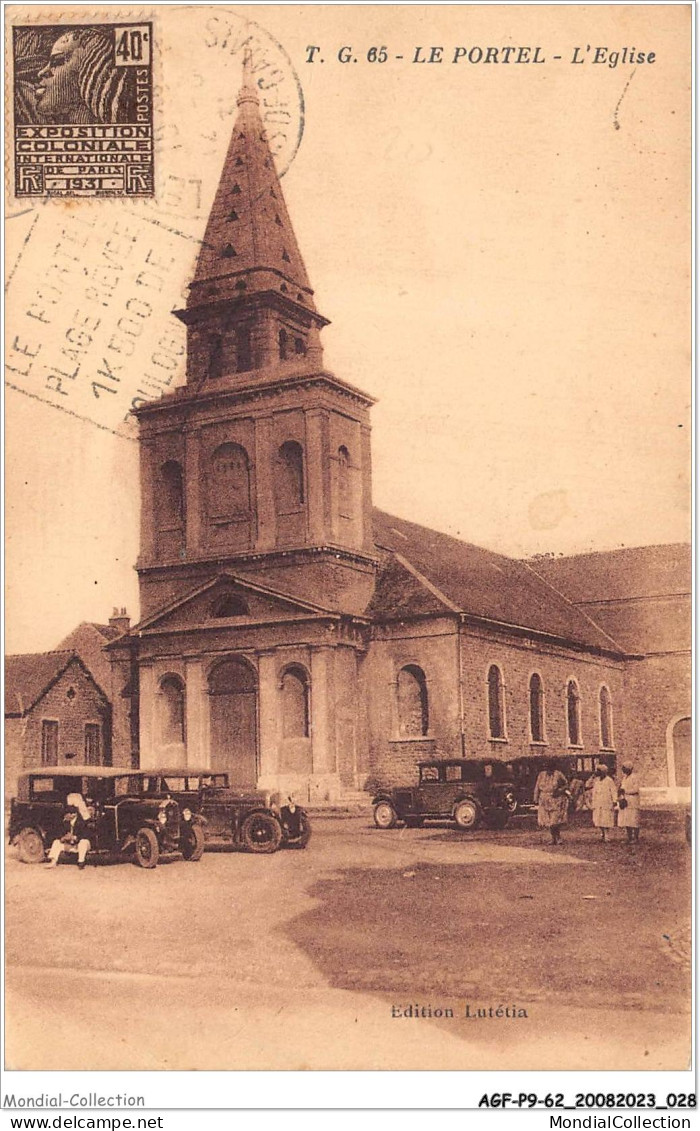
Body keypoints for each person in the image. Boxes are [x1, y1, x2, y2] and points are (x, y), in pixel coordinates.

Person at [46, 793, 92, 869]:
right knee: (56, 842)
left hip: (79, 844)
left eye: (69, 813)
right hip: (70, 845)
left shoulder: (81, 822)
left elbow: (85, 835)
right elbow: (59, 834)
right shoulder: (65, 822)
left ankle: (81, 862)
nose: (67, 815)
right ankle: (53, 861)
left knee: (83, 843)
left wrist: (75, 837)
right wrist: (63, 838)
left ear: (74, 814)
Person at [533, 759, 570, 844]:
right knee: (548, 820)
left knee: (555, 820)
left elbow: (566, 784)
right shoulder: (541, 775)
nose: (549, 770)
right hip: (544, 799)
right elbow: (537, 787)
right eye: (547, 768)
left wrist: (560, 790)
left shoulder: (558, 774)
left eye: (551, 768)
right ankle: (553, 838)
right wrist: (535, 798)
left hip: (555, 799)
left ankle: (558, 837)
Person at [591, 763, 617, 841]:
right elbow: (593, 790)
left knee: (606, 818)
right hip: (598, 802)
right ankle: (602, 834)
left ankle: (607, 835)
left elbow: (613, 791)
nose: (597, 772)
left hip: (606, 801)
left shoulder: (609, 780)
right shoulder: (596, 780)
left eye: (598, 771)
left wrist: (614, 800)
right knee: (599, 818)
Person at [617, 762, 641, 843]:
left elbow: (636, 790)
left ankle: (636, 838)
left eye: (624, 768)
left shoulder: (634, 777)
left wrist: (625, 791)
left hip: (633, 801)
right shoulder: (624, 778)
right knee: (627, 819)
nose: (623, 770)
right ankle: (630, 838)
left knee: (634, 820)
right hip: (626, 801)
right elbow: (622, 787)